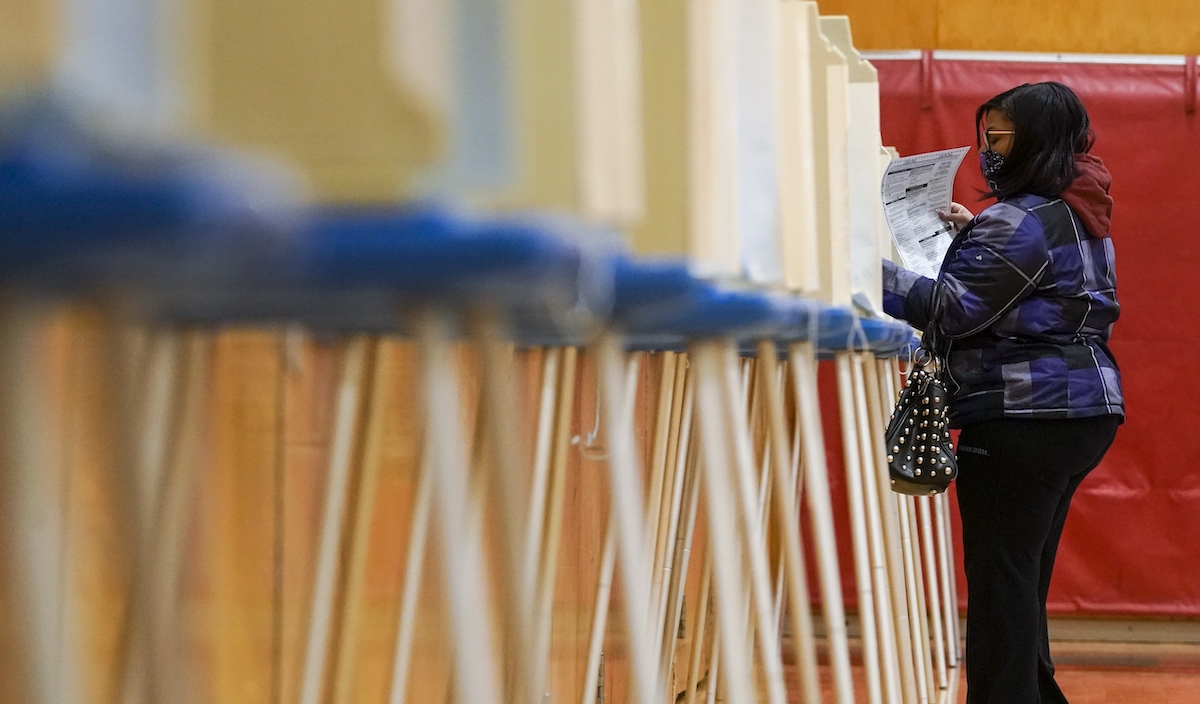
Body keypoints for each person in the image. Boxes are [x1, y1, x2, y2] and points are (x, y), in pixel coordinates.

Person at [882, 82, 1124, 704]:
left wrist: (863, 267)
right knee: (1022, 581)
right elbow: (1041, 283)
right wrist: (974, 237)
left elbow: (956, 311)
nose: (986, 150)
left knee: (1000, 587)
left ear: (1035, 141)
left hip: (1023, 413)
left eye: (997, 139)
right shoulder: (1080, 202)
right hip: (1084, 410)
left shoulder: (1019, 219)